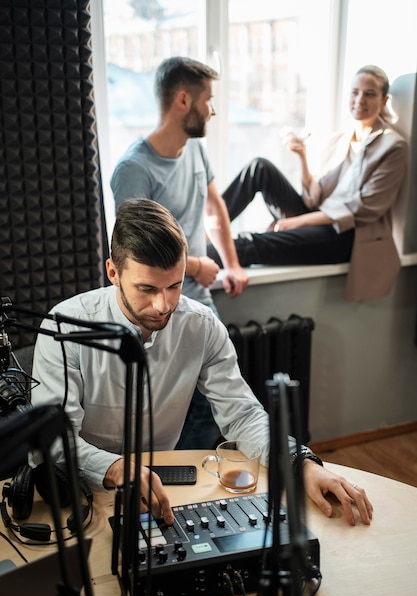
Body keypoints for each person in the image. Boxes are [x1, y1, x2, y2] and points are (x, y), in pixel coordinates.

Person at [31, 198, 373, 528]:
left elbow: (243, 416)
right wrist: (116, 468)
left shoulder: (202, 325)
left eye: (174, 286)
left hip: (161, 492)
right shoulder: (64, 327)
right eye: (147, 288)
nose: (163, 305)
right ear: (112, 271)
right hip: (78, 494)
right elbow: (55, 441)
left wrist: (303, 464)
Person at [110, 56, 249, 448]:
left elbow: (214, 207)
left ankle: (188, 482)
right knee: (165, 409)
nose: (214, 108)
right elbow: (135, 250)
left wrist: (232, 264)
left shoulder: (194, 150)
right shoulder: (133, 170)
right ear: (184, 101)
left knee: (212, 404)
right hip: (155, 309)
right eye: (209, 99)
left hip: (199, 302)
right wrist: (198, 264)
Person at [207, 65, 409, 302]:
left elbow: (363, 208)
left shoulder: (393, 146)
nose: (359, 100)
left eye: (369, 94)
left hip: (344, 235)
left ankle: (191, 256)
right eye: (354, 92)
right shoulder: (341, 140)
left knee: (247, 244)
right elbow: (313, 198)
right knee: (258, 168)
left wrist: (297, 222)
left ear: (384, 100)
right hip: (316, 218)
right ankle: (206, 232)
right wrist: (302, 156)